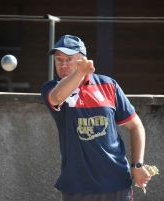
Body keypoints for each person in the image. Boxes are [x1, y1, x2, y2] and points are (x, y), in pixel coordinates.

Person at [41, 35, 150, 201]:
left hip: (117, 182)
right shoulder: (52, 87)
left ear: (82, 60)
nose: (63, 64)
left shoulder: (109, 85)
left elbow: (136, 126)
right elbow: (58, 96)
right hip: (77, 186)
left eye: (69, 59)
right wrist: (79, 73)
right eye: (58, 59)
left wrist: (137, 165)